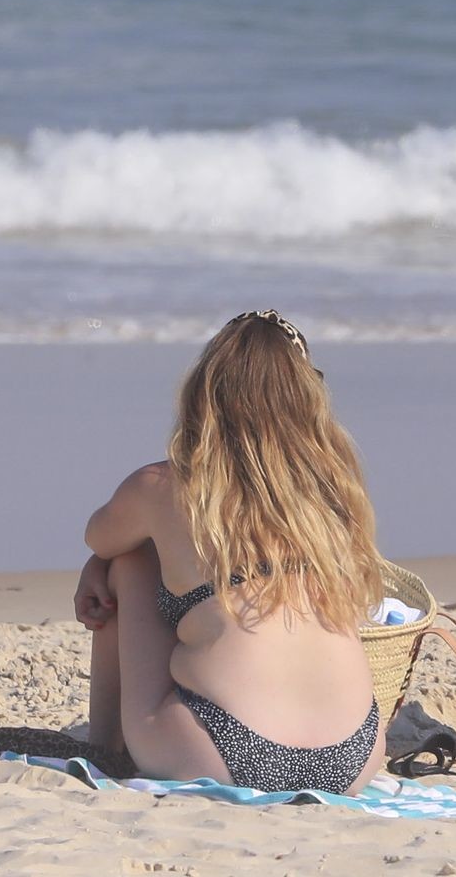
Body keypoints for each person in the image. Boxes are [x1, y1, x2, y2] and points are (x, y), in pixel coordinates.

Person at [74, 310, 388, 793]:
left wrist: (99, 564)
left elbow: (101, 537)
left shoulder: (162, 486)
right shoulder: (334, 490)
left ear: (203, 393)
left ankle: (106, 745)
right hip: (353, 759)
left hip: (226, 753)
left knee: (129, 559)